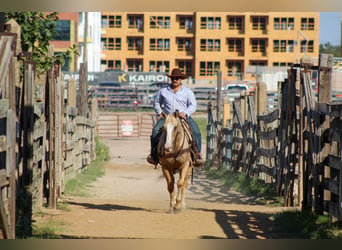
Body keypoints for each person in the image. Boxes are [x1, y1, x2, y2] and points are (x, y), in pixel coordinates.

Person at [147, 68, 204, 167]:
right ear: (170, 79)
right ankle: (154, 154)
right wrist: (160, 112)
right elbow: (156, 102)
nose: (175, 80)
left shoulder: (187, 92)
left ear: (181, 79)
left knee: (196, 132)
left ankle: (197, 154)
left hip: (182, 117)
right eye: (173, 78)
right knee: (156, 131)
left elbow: (192, 105)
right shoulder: (163, 91)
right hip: (167, 117)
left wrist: (185, 113)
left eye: (177, 78)